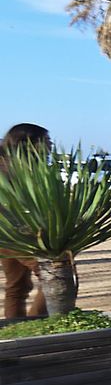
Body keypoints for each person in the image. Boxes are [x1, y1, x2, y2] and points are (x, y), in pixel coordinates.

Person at [1, 124, 51, 320]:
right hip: (14, 233)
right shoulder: (14, 168)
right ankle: (37, 325)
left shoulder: (16, 164)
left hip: (9, 234)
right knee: (58, 275)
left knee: (17, 286)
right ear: (29, 143)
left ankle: (16, 331)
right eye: (46, 141)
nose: (51, 145)